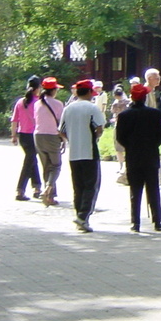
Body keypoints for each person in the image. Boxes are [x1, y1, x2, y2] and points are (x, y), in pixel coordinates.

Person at [115, 82, 161, 232]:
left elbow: (120, 137)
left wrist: (130, 147)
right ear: (145, 97)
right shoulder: (154, 113)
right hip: (150, 156)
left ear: (132, 97)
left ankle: (135, 222)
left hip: (133, 156)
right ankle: (157, 221)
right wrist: (153, 145)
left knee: (135, 190)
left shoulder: (124, 115)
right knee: (153, 189)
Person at [59, 79, 105, 232]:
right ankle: (84, 215)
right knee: (91, 185)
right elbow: (99, 127)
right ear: (89, 92)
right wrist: (95, 136)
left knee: (78, 186)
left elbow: (61, 130)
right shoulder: (92, 108)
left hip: (74, 153)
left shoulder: (68, 108)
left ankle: (79, 213)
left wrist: (71, 139)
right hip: (89, 151)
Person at [10, 75, 43, 200]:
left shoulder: (20, 102)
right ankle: (20, 190)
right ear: (38, 88)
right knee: (29, 162)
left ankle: (37, 187)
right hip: (34, 135)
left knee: (31, 160)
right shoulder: (39, 102)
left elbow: (14, 120)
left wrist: (13, 135)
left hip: (22, 135)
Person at [34, 77, 65, 206]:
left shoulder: (37, 103)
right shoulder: (58, 104)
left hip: (38, 136)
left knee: (46, 166)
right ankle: (49, 187)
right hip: (52, 136)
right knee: (56, 165)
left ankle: (50, 196)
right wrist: (63, 139)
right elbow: (62, 123)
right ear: (53, 90)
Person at [109, 86, 131, 185]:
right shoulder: (128, 102)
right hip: (129, 126)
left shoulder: (115, 103)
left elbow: (112, 112)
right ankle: (126, 166)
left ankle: (121, 166)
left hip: (119, 126)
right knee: (128, 148)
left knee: (118, 148)